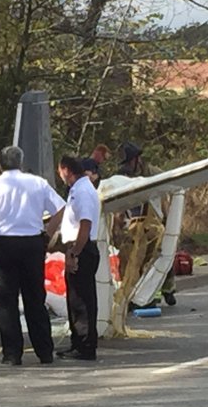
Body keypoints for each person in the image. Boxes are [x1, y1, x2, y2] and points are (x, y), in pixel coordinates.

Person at [0, 145, 65, 365]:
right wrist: (47, 234)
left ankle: (12, 354)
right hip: (32, 243)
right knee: (35, 299)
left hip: (2, 244)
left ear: (0, 164)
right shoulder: (37, 183)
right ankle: (45, 351)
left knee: (6, 301)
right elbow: (60, 209)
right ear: (21, 162)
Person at [116, 142, 177, 306]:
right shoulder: (123, 177)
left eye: (129, 162)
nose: (128, 166)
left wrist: (168, 216)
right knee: (135, 259)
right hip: (134, 223)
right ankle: (141, 294)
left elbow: (169, 187)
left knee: (161, 255)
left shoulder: (153, 173)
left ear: (137, 160)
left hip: (155, 219)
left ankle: (167, 289)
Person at [57, 156, 101, 361]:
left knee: (81, 299)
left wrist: (74, 252)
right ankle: (79, 342)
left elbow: (85, 225)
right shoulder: (79, 189)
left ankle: (85, 344)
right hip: (79, 247)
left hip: (82, 248)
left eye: (60, 171)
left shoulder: (83, 191)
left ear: (66, 170)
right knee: (77, 298)